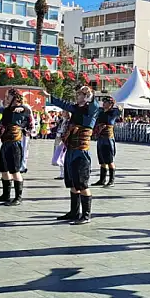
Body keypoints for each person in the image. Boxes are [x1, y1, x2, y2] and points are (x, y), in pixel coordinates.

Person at [50, 86, 101, 224]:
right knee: (72, 183)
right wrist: (49, 96)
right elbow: (65, 105)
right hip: (71, 150)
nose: (77, 96)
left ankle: (86, 215)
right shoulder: (76, 109)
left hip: (81, 152)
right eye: (77, 94)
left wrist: (89, 93)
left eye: (80, 94)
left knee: (82, 184)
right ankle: (74, 212)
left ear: (86, 97)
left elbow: (94, 104)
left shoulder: (91, 110)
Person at [0, 89, 30, 206]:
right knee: (4, 170)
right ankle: (5, 195)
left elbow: (27, 111)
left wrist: (22, 107)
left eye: (8, 97)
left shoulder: (22, 109)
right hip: (5, 142)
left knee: (15, 171)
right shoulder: (8, 110)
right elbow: (3, 110)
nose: (6, 98)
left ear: (15, 98)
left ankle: (18, 197)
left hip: (14, 144)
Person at [91, 97, 121, 187]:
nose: (104, 104)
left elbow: (119, 110)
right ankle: (102, 179)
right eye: (103, 102)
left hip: (108, 138)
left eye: (106, 102)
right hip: (100, 138)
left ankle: (111, 180)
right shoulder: (100, 112)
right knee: (102, 160)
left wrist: (119, 107)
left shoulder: (113, 113)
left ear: (111, 104)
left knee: (109, 160)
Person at [51, 110, 70, 180]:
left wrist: (62, 134)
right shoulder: (61, 120)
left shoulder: (69, 121)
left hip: (65, 140)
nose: (62, 113)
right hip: (58, 139)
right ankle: (62, 173)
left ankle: (65, 173)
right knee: (59, 155)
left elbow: (68, 130)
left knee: (63, 156)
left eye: (64, 112)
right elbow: (58, 128)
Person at [19, 101, 36, 174]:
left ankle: (23, 166)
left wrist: (30, 130)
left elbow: (31, 124)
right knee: (22, 149)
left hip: (25, 134)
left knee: (24, 150)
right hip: (20, 133)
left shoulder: (28, 116)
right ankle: (22, 165)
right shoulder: (21, 114)